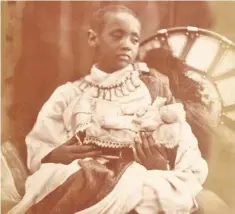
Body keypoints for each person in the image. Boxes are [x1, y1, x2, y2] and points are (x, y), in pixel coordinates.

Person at [9, 5, 208, 214]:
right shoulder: (69, 94)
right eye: (117, 35)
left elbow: (183, 144)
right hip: (83, 173)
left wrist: (161, 165)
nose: (126, 45)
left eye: (134, 39)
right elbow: (39, 145)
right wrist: (55, 155)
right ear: (94, 38)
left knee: (155, 191)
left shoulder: (153, 88)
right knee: (51, 178)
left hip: (142, 174)